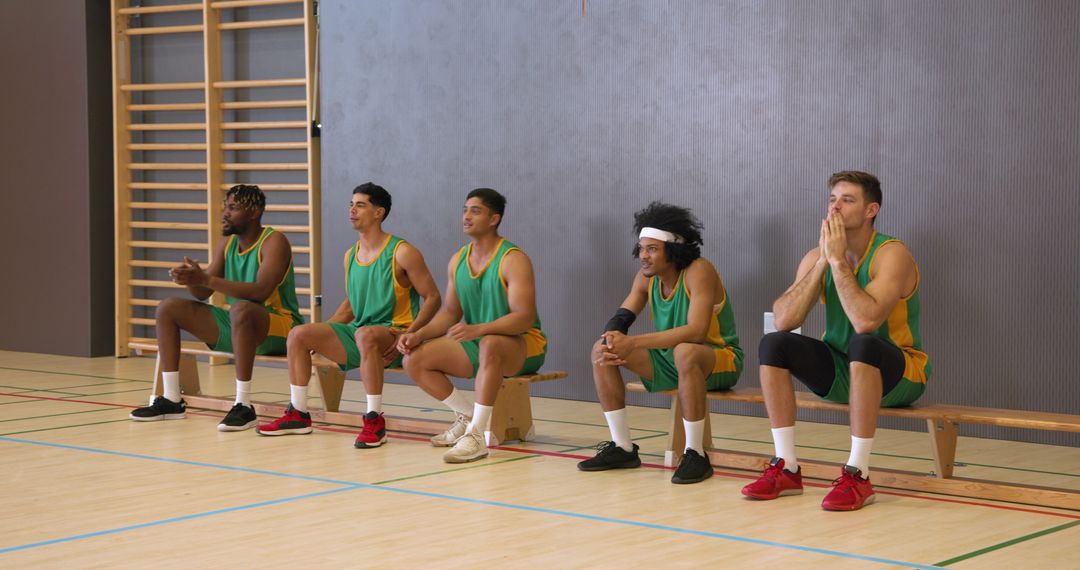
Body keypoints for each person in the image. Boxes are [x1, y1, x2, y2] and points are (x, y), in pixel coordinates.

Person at [742, 170, 930, 511]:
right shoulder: (819, 256)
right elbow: (784, 319)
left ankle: (858, 474)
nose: (836, 208)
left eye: (847, 200)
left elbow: (866, 320)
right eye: (832, 200)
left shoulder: (892, 253)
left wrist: (839, 262)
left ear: (871, 210)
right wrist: (823, 263)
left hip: (900, 376)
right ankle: (787, 466)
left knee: (864, 342)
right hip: (844, 372)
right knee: (774, 343)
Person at [255, 183, 441, 446]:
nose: (352, 210)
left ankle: (375, 420)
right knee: (299, 334)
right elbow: (352, 306)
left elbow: (433, 297)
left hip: (395, 339)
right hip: (362, 336)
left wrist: (412, 334)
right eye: (351, 204)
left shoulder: (402, 252)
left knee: (365, 334)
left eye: (360, 205)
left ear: (379, 212)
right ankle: (298, 414)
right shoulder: (350, 255)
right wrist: (317, 337)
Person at [578, 202, 743, 484]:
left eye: (652, 249)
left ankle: (695, 453)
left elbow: (696, 331)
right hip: (673, 359)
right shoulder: (646, 278)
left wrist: (635, 342)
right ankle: (623, 447)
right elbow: (621, 316)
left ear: (674, 249)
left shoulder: (699, 271)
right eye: (641, 248)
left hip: (718, 359)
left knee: (686, 351)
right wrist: (612, 337)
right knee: (600, 349)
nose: (643, 256)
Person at [130, 184, 303, 431]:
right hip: (239, 324)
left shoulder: (275, 241)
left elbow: (260, 291)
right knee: (169, 307)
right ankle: (171, 399)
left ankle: (243, 405)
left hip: (280, 327)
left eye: (233, 208)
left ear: (254, 212)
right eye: (225, 207)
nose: (225, 213)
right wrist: (192, 280)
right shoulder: (227, 244)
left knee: (241, 309)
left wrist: (206, 279)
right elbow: (203, 293)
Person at [397, 188, 547, 464]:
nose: (466, 216)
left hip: (523, 345)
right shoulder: (458, 260)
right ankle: (466, 417)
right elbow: (451, 313)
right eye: (465, 210)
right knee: (414, 359)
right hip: (481, 345)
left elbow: (523, 317)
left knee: (490, 343)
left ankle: (477, 436)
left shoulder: (513, 259)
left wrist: (478, 330)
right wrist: (417, 334)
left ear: (494, 219)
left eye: (475, 211)